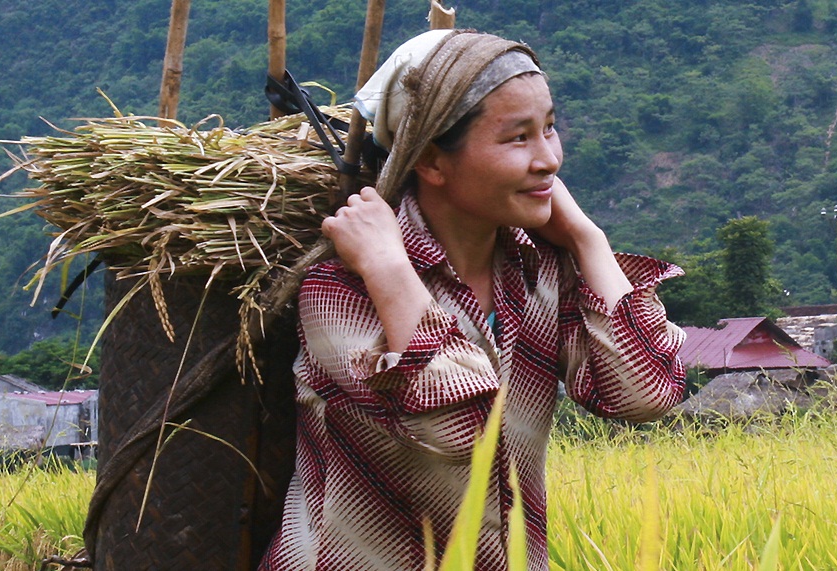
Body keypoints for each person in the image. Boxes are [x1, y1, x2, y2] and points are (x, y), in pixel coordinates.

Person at [259, 29, 686, 571]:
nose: (549, 159)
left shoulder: (541, 272)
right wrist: (390, 267)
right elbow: (463, 431)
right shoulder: (343, 288)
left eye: (550, 129)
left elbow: (647, 393)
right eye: (518, 138)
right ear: (433, 161)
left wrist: (587, 237)